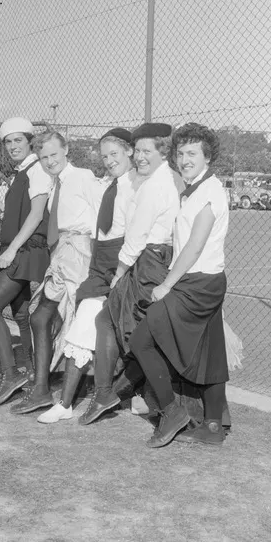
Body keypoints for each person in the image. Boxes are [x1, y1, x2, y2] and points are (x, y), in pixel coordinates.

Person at [126, 123, 231, 447]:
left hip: (196, 283)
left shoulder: (209, 192)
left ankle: (172, 412)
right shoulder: (195, 188)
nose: (185, 159)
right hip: (203, 280)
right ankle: (214, 425)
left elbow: (195, 246)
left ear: (207, 157)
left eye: (192, 153)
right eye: (181, 153)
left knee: (142, 340)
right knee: (210, 352)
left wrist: (166, 285)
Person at [78, 122, 183, 426]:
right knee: (120, 326)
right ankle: (111, 393)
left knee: (128, 331)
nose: (139, 157)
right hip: (152, 259)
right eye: (137, 151)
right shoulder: (162, 179)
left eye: (146, 151)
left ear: (163, 151)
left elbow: (136, 237)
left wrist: (118, 274)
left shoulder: (155, 185)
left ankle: (115, 394)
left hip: (147, 261)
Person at [37, 127, 144, 423]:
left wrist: (121, 271)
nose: (109, 160)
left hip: (123, 265)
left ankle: (102, 395)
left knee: (97, 324)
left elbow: (136, 233)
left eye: (114, 154)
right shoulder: (110, 184)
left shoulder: (136, 186)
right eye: (105, 155)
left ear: (130, 152)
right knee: (83, 323)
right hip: (101, 263)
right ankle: (71, 402)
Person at [9, 130, 103, 415]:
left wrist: (97, 264)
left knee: (75, 320)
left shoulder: (84, 177)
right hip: (61, 254)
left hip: (81, 254)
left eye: (54, 155)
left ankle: (68, 393)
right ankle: (41, 388)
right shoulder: (54, 185)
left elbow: (101, 219)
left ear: (66, 151)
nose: (50, 161)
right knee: (40, 315)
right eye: (44, 157)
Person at [0, 117, 53, 406]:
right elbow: (18, 211)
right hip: (18, 249)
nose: (12, 146)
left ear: (29, 141)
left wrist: (11, 251)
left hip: (24, 251)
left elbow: (36, 215)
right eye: (8, 142)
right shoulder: (23, 172)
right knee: (21, 315)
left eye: (18, 140)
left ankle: (10, 374)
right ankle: (34, 376)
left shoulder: (38, 171)